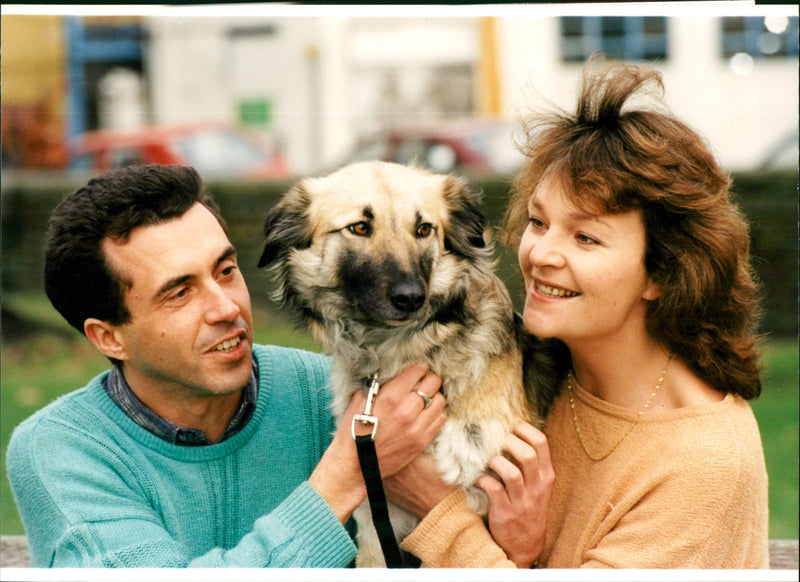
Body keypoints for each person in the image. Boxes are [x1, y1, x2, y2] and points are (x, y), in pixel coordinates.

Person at [392, 56, 769, 569]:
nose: (541, 254)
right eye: (538, 221)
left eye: (586, 237)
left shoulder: (704, 466)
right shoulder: (536, 367)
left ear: (662, 272)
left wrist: (438, 509)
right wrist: (518, 555)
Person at [6, 164, 454, 568]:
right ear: (110, 336)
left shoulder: (338, 393)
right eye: (179, 292)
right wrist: (347, 474)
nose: (226, 307)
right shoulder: (61, 451)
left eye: (224, 271)